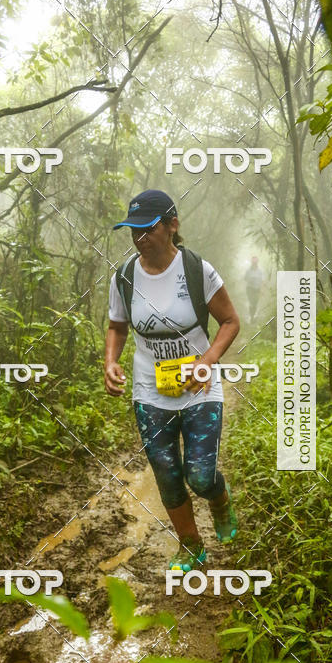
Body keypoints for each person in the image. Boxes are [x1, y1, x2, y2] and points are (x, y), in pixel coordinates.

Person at [104, 189, 240, 574]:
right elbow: (116, 325)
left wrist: (208, 360)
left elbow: (230, 322)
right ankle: (191, 546)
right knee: (166, 471)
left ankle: (219, 497)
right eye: (133, 231)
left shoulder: (198, 271)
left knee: (199, 474)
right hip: (151, 389)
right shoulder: (125, 277)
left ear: (172, 226)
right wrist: (110, 361)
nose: (139, 239)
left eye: (148, 229)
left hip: (199, 389)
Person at [245, 255, 264, 323]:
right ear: (251, 263)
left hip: (257, 289)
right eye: (253, 263)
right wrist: (250, 280)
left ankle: (253, 315)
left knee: (255, 303)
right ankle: (252, 317)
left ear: (257, 263)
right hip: (250, 288)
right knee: (251, 302)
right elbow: (245, 278)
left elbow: (262, 280)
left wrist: (262, 289)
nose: (254, 264)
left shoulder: (260, 271)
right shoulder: (248, 270)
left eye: (255, 263)